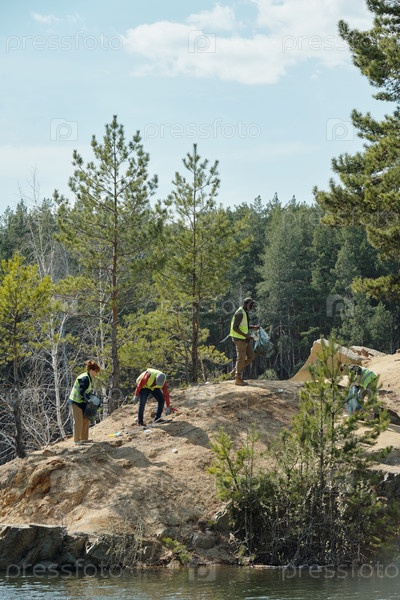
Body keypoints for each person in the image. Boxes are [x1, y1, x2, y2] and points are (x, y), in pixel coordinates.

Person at [69, 360, 101, 445]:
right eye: (96, 371)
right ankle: (76, 440)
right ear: (91, 370)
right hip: (76, 401)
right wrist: (88, 400)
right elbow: (81, 391)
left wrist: (91, 398)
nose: (96, 373)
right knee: (78, 421)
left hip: (82, 401)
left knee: (86, 418)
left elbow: (87, 391)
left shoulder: (89, 377)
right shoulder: (85, 378)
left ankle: (84, 439)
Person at [230, 297, 259, 386]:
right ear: (246, 304)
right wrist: (246, 336)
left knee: (251, 356)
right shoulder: (240, 313)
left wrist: (252, 327)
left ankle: (235, 371)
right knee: (241, 358)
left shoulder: (244, 312)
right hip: (239, 339)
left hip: (244, 339)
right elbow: (235, 327)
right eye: (251, 305)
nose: (252, 306)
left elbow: (243, 326)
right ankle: (238, 379)